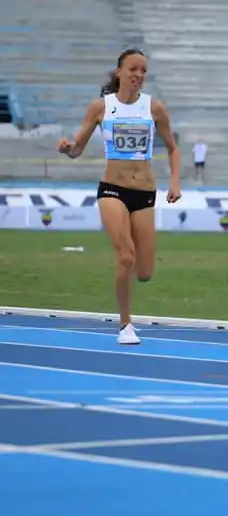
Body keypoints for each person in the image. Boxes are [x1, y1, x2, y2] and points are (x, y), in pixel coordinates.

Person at [56, 49, 182, 345]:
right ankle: (126, 325)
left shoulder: (155, 109)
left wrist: (174, 181)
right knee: (125, 255)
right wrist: (67, 148)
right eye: (133, 69)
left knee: (145, 272)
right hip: (112, 188)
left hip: (145, 192)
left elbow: (173, 148)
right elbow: (77, 149)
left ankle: (131, 290)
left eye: (143, 71)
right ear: (119, 72)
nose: (138, 75)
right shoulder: (101, 108)